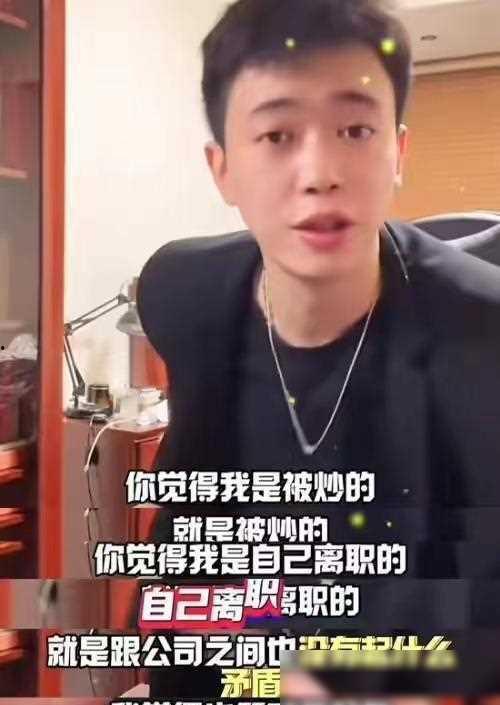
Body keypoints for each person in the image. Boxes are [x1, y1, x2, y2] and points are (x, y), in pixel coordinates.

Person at [137, 0, 500, 696]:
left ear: (399, 152)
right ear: (222, 169)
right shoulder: (179, 292)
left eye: (355, 130)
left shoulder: (482, 334)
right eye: (276, 134)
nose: (320, 172)